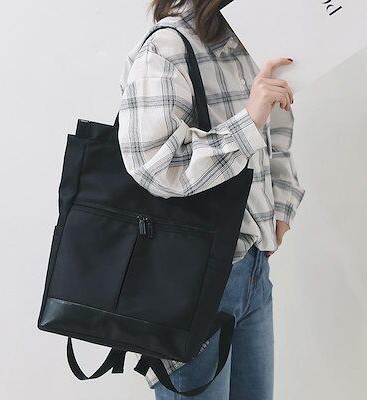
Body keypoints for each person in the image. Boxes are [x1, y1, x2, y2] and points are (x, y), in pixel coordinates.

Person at [117, 0, 305, 399]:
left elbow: (277, 126)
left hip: (252, 270)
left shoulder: (252, 37)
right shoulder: (167, 48)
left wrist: (282, 203)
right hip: (193, 280)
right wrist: (248, 121)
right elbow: (152, 163)